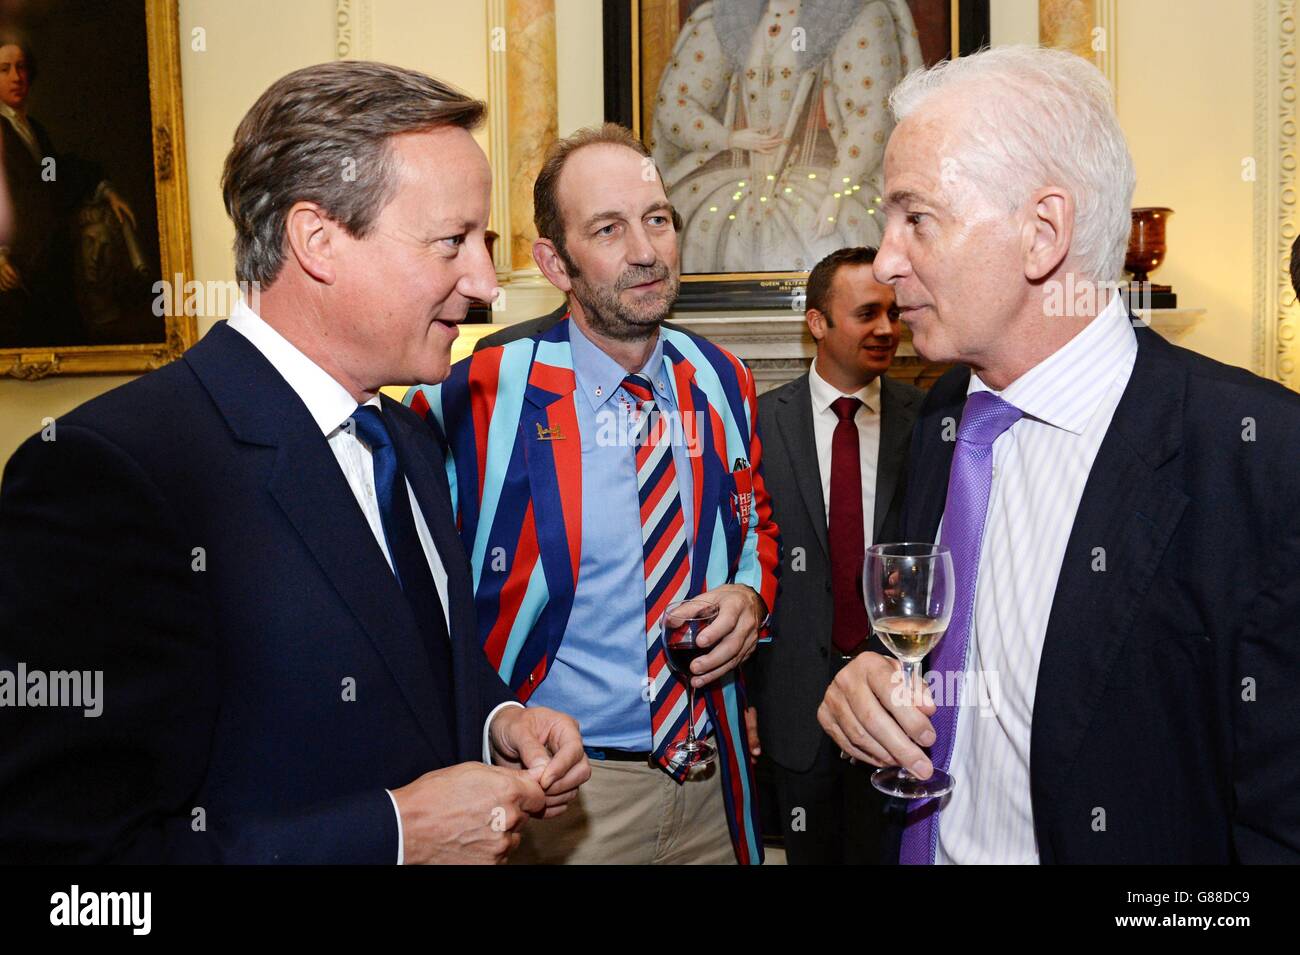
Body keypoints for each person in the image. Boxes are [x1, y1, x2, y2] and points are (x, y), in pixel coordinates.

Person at [0, 60, 589, 864]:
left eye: (481, 242)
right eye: (453, 242)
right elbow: (74, 872)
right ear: (317, 240)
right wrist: (389, 837)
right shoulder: (115, 475)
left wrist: (497, 720)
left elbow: (400, 663)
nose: (485, 283)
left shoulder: (406, 440)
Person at [817, 45, 1300, 864]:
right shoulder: (943, 416)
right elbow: (932, 638)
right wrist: (866, 677)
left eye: (916, 217)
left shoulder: (1259, 459)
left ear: (1043, 234)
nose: (887, 260)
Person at [406, 123, 780, 864]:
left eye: (658, 220)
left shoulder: (722, 379)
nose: (645, 251)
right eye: (608, 229)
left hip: (711, 778)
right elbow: (411, 583)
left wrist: (750, 596)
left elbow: (754, 522)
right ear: (556, 262)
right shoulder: (478, 392)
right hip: (561, 798)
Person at [745, 245, 919, 864]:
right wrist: (746, 699)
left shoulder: (929, 425)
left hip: (894, 702)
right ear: (817, 323)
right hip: (793, 705)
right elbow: (741, 564)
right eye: (867, 312)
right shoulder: (757, 423)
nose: (886, 329)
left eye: (894, 314)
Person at [650, 0, 921, 272]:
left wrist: (836, 193)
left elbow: (870, 113)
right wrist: (728, 138)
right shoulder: (725, 17)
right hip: (732, 185)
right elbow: (675, 103)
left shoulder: (854, 13)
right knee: (695, 228)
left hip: (824, 184)